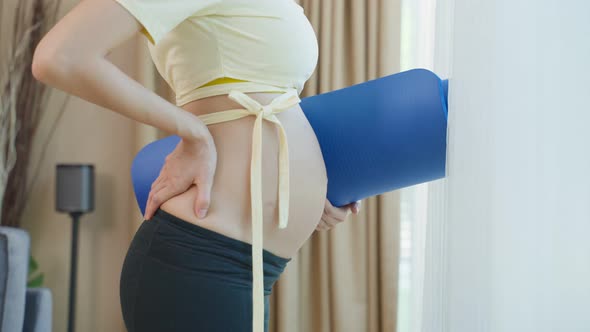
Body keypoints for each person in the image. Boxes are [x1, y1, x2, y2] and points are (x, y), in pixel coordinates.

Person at [32, 0, 361, 331]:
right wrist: (193, 133)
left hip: (252, 266)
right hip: (203, 261)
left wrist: (304, 188)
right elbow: (60, 57)